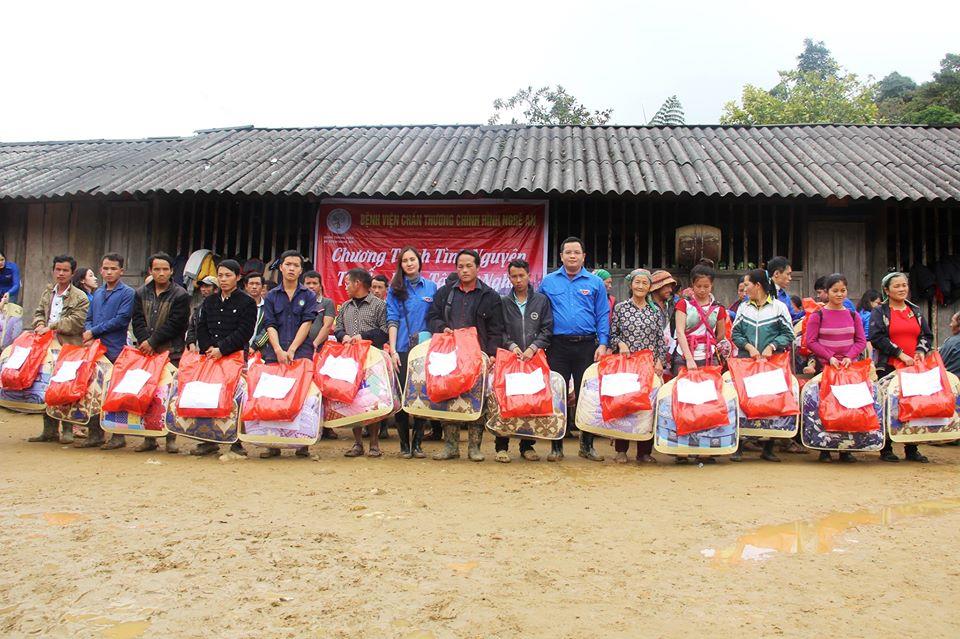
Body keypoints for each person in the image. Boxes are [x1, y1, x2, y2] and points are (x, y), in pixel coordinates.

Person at [428, 249, 504, 461]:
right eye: (460, 266)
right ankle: (451, 446)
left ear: (478, 268)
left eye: (469, 266)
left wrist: (492, 353)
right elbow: (432, 317)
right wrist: (442, 327)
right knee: (449, 396)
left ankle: (474, 447)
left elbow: (497, 328)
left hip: (477, 354)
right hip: (450, 354)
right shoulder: (445, 293)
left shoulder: (490, 296)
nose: (464, 270)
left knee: (476, 398)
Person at [539, 237, 608, 463]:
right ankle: (556, 446)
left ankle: (586, 445)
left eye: (576, 252)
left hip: (587, 346)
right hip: (556, 346)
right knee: (557, 394)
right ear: (561, 256)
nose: (572, 256)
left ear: (583, 256)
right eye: (568, 252)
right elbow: (539, 312)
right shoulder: (548, 282)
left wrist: (603, 343)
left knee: (586, 395)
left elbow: (602, 315)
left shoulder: (595, 283)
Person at [190, 260, 257, 457]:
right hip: (211, 356)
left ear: (238, 277)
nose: (223, 279)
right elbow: (201, 326)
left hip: (234, 356)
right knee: (208, 396)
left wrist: (222, 348)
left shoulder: (247, 302)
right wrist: (209, 348)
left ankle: (236, 442)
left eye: (228, 275)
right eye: (220, 275)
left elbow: (245, 331)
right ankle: (208, 440)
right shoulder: (209, 301)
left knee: (236, 398)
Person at [126, 252, 190, 454]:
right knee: (148, 394)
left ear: (172, 271)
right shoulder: (140, 293)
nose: (161, 273)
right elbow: (137, 319)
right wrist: (144, 341)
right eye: (157, 269)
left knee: (169, 395)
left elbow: (176, 323)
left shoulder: (181, 295)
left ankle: (170, 437)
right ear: (150, 271)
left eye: (165, 269)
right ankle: (149, 438)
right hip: (147, 352)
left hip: (171, 351)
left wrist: (152, 342)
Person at [729, 270, 796, 463]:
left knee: (771, 401)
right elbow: (735, 334)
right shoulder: (743, 308)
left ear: (757, 286)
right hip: (747, 361)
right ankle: (739, 446)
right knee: (743, 401)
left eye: (747, 285)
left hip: (772, 362)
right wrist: (749, 347)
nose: (745, 289)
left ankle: (769, 447)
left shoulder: (779, 307)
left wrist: (772, 346)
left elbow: (789, 333)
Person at [260, 250, 319, 459]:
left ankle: (302, 442)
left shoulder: (308, 295)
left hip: (301, 352)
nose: (292, 268)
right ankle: (272, 443)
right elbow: (269, 324)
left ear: (301, 270)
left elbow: (307, 322)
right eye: (288, 264)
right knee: (274, 396)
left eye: (296, 265)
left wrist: (292, 349)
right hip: (274, 352)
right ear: (281, 267)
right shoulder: (271, 296)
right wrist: (277, 349)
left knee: (302, 396)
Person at [870, 272, 934, 463]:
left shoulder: (915, 311)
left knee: (914, 404)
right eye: (897, 286)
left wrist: (920, 351)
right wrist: (900, 354)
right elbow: (877, 337)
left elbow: (926, 335)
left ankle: (912, 447)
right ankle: (886, 448)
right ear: (887, 290)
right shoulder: (880, 312)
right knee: (889, 406)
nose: (901, 289)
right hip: (889, 365)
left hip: (913, 366)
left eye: (904, 285)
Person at [804, 273, 867, 463]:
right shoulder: (818, 315)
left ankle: (845, 449)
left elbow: (860, 341)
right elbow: (811, 341)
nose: (839, 294)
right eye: (835, 291)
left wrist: (849, 357)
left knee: (847, 407)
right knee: (824, 407)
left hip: (848, 369)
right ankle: (824, 449)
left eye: (843, 290)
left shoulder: (853, 315)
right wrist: (829, 357)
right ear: (827, 292)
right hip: (825, 368)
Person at [495, 258, 553, 463]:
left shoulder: (541, 301)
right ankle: (501, 446)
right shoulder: (503, 302)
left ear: (529, 275)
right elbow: (499, 330)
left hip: (533, 359)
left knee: (531, 402)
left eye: (522, 275)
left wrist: (533, 348)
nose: (518, 280)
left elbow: (547, 329)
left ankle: (527, 446)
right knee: (506, 400)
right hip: (510, 358)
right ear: (509, 277)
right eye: (514, 276)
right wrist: (511, 346)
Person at [27, 255, 90, 444]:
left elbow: (76, 322)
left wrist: (51, 327)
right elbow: (39, 312)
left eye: (65, 270)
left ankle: (68, 429)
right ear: (53, 270)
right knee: (46, 386)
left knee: (65, 388)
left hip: (68, 347)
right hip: (46, 347)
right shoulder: (48, 292)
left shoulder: (80, 297)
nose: (61, 273)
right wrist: (39, 324)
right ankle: (49, 430)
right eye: (58, 270)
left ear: (72, 273)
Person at [78, 253, 135, 450]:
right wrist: (88, 333)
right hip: (95, 349)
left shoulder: (127, 293)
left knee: (115, 392)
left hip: (114, 349)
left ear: (121, 271)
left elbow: (121, 319)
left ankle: (118, 436)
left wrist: (93, 331)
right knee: (93, 390)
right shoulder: (98, 293)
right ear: (101, 270)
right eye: (106, 268)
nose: (109, 272)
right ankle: (95, 434)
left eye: (113, 269)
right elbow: (89, 318)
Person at [609, 269, 665, 464]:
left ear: (650, 287)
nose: (640, 286)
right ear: (631, 284)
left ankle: (644, 452)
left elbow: (660, 340)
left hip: (648, 366)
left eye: (645, 283)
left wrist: (660, 360)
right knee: (625, 405)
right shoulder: (621, 308)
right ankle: (621, 450)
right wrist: (620, 344)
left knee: (647, 407)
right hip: (627, 365)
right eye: (637, 282)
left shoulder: (655, 311)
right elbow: (612, 334)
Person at [386, 247, 438, 459]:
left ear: (419, 262)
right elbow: (392, 319)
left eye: (412, 259)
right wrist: (392, 350)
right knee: (402, 396)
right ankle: (404, 445)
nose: (409, 263)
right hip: (401, 348)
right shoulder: (395, 289)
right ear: (401, 265)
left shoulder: (431, 287)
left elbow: (435, 317)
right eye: (405, 260)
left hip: (424, 350)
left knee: (421, 395)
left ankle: (417, 444)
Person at [334, 268, 388, 458]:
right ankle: (357, 444)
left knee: (373, 400)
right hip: (351, 361)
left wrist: (363, 336)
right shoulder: (345, 306)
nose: (346, 287)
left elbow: (384, 331)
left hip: (372, 361)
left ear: (357, 283)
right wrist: (343, 336)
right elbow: (337, 328)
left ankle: (374, 444)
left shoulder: (379, 305)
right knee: (353, 400)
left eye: (348, 283)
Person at [303, 270, 338, 441]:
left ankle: (328, 426)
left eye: (314, 283)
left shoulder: (327, 302)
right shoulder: (300, 302)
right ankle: (308, 424)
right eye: (308, 283)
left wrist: (315, 344)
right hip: (302, 351)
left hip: (321, 350)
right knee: (306, 388)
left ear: (320, 285)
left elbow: (327, 326)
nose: (311, 286)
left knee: (324, 388)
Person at [674, 264, 728, 373]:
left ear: (712, 285)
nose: (702, 290)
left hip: (709, 356)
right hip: (684, 356)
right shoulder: (683, 304)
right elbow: (680, 332)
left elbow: (721, 334)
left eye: (706, 286)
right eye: (698, 286)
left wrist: (708, 343)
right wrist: (689, 359)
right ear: (692, 285)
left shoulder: (718, 308)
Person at [185, 276, 218, 352]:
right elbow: (191, 327)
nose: (203, 289)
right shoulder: (199, 308)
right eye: (202, 286)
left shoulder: (223, 307)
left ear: (216, 289)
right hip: (199, 351)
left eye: (207, 286)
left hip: (216, 351)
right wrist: (191, 343)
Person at [767, 256, 804, 323]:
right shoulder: (761, 292)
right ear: (776, 274)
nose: (790, 278)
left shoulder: (785, 296)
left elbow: (791, 318)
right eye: (788, 274)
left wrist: (808, 310)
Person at [243, 272, 270, 354]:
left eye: (257, 284)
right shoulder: (238, 305)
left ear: (263, 287)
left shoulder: (268, 307)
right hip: (239, 350)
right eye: (251, 284)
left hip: (260, 351)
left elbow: (268, 328)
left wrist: (254, 346)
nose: (254, 287)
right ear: (246, 286)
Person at [939, 312, 960, 377]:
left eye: (952, 321)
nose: (950, 325)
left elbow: (939, 362)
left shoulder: (952, 342)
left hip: (951, 380)